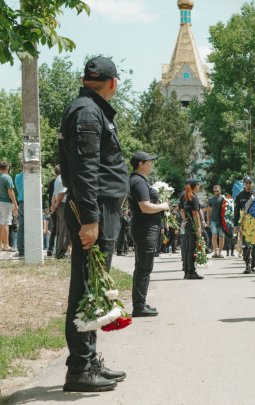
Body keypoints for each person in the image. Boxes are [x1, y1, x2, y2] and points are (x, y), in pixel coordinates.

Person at [58, 56, 127, 392]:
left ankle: (89, 360)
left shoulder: (91, 109)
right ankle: (79, 368)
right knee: (87, 286)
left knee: (94, 286)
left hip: (100, 208)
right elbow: (86, 169)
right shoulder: (88, 112)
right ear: (112, 83)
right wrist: (90, 219)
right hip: (94, 208)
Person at [128, 151, 169, 316]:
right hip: (145, 228)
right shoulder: (138, 182)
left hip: (144, 227)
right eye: (149, 162)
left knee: (143, 267)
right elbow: (145, 206)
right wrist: (163, 206)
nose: (151, 164)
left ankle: (140, 303)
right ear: (140, 164)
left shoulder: (138, 180)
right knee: (144, 267)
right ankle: (139, 306)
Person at [234, 176, 255, 273]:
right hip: (245, 224)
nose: (248, 185)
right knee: (246, 245)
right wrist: (236, 225)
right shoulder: (239, 196)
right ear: (244, 184)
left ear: (252, 183)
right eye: (246, 183)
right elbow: (236, 211)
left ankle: (253, 261)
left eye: (250, 183)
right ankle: (247, 265)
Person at [182, 179, 205, 280]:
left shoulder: (186, 197)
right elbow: (195, 215)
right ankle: (191, 272)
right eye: (199, 185)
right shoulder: (193, 198)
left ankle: (187, 271)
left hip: (188, 226)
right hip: (193, 227)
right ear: (195, 186)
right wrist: (198, 228)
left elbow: (182, 210)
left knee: (188, 249)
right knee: (192, 249)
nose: (199, 187)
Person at [50, 165, 70, 259]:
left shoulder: (57, 179)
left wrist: (53, 206)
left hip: (59, 205)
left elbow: (54, 194)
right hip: (63, 204)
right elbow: (61, 194)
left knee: (60, 228)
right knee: (63, 229)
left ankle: (58, 251)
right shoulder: (63, 178)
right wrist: (56, 204)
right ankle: (60, 253)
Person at [0, 161, 18, 251]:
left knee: (0, 223)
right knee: (6, 223)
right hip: (6, 203)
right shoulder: (7, 177)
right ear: (7, 168)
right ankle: (6, 245)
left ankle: (0, 245)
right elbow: (11, 192)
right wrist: (15, 204)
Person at [207, 184, 226, 259]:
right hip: (213, 220)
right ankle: (215, 252)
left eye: (217, 191)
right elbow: (208, 210)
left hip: (222, 221)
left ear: (220, 190)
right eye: (215, 191)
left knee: (222, 236)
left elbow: (228, 210)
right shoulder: (211, 199)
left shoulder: (223, 199)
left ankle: (220, 252)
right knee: (214, 236)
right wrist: (208, 221)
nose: (216, 192)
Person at [14, 160, 24, 257]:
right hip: (28, 202)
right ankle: (23, 249)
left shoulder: (17, 177)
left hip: (21, 202)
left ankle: (21, 248)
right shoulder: (28, 177)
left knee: (21, 226)